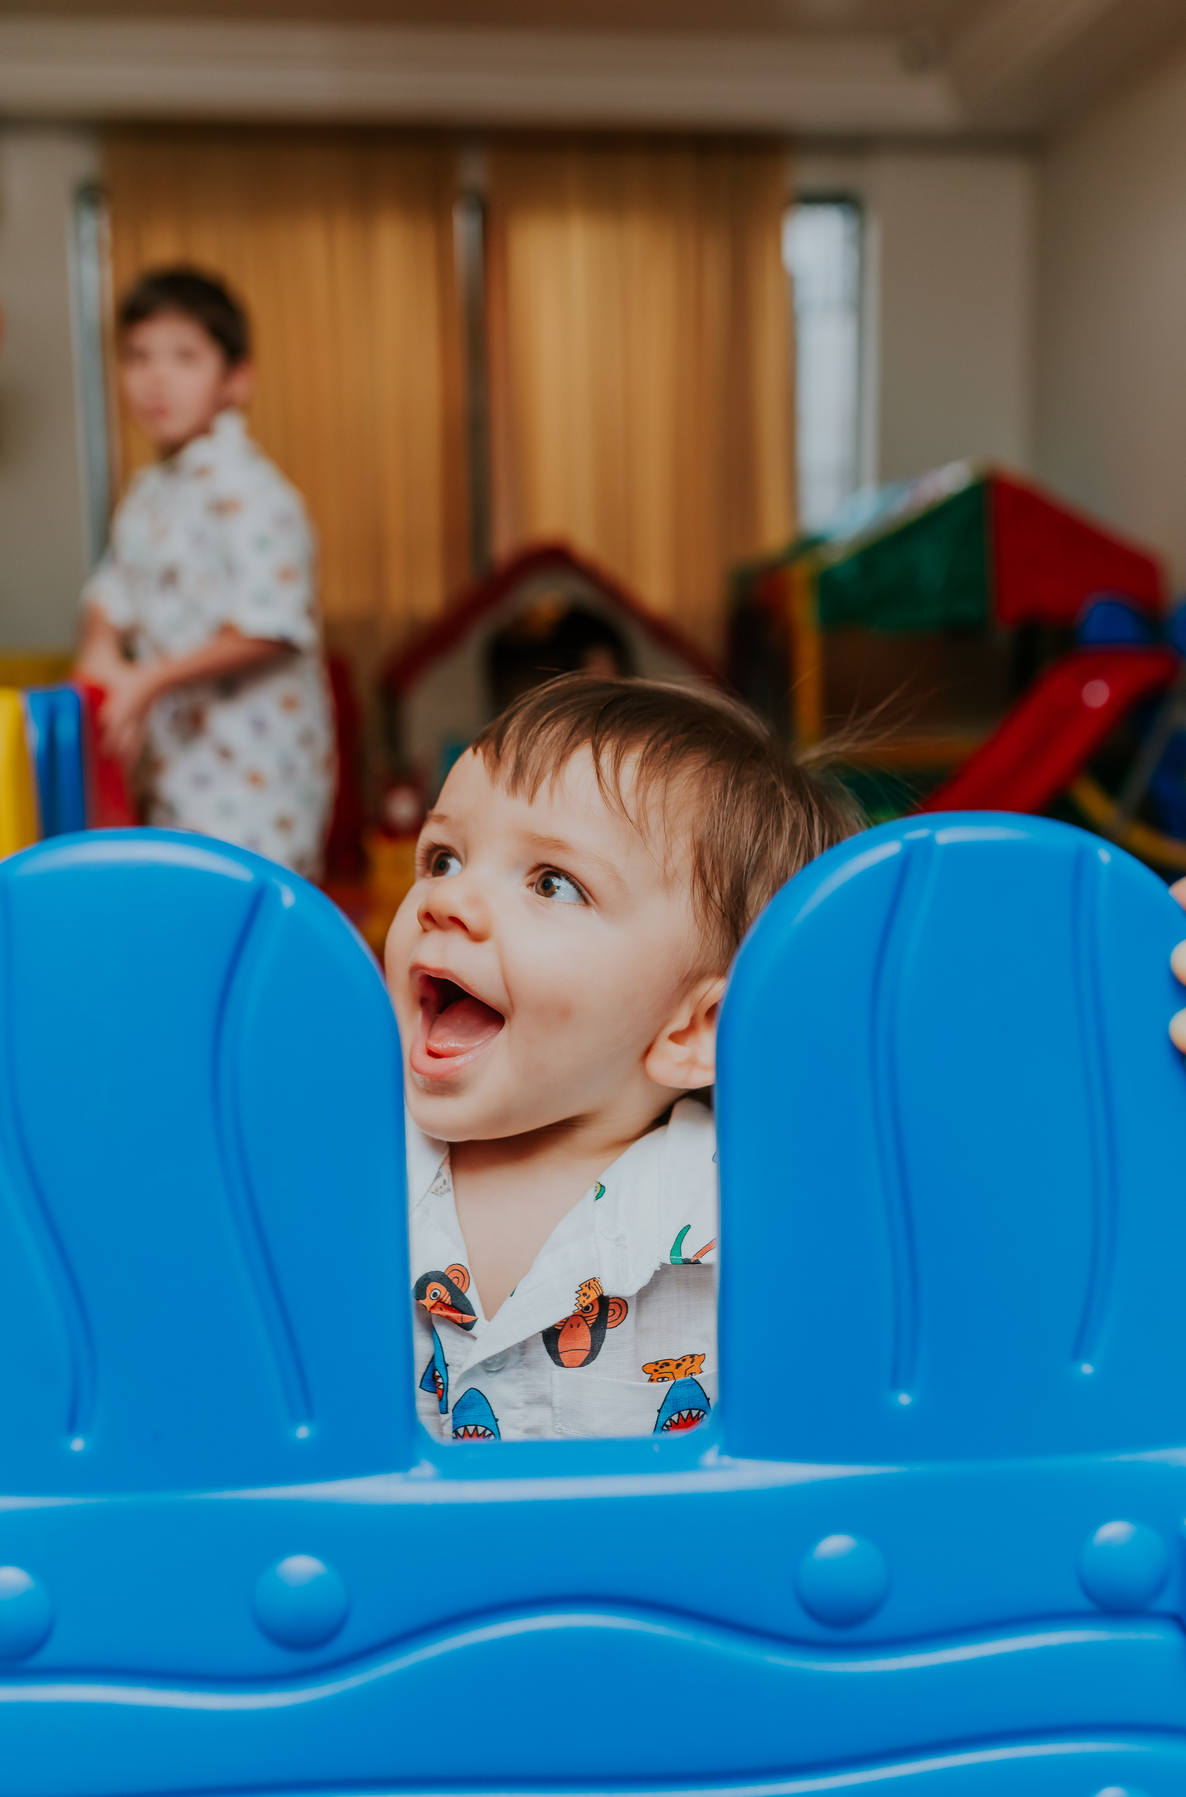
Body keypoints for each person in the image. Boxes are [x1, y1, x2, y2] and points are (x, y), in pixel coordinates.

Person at [384, 675, 859, 1441]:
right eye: (443, 858)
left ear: (696, 1029)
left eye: (552, 882)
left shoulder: (753, 1220)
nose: (446, 900)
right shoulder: (333, 1169)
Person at [75, 268, 334, 878]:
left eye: (184, 357)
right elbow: (112, 592)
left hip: (256, 772)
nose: (156, 378)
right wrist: (101, 650)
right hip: (176, 767)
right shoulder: (148, 493)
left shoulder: (252, 490)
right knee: (185, 904)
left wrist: (149, 681)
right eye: (138, 356)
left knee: (248, 907)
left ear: (236, 380)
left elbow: (271, 626)